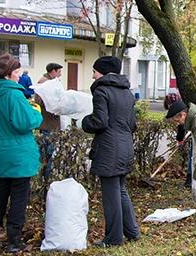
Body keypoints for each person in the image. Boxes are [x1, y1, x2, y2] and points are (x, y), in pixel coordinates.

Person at [0, 54, 42, 253]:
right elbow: (25, 122)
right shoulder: (14, 95)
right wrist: (37, 112)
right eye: (16, 71)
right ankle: (14, 242)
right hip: (19, 154)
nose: (19, 75)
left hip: (0, 151)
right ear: (8, 74)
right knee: (18, 198)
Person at [82, 56, 140, 247]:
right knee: (121, 190)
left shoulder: (101, 91)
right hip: (125, 146)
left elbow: (100, 121)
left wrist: (84, 121)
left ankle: (114, 238)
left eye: (94, 71)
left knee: (111, 195)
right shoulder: (128, 93)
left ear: (102, 72)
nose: (93, 75)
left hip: (109, 148)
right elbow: (132, 124)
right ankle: (132, 231)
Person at [35, 63, 63, 179]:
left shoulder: (51, 82)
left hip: (51, 124)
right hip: (48, 124)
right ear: (53, 71)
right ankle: (45, 180)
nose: (60, 74)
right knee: (47, 154)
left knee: (47, 154)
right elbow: (39, 101)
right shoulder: (45, 82)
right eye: (59, 71)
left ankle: (45, 179)